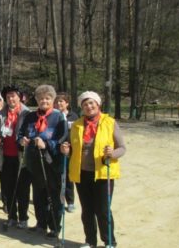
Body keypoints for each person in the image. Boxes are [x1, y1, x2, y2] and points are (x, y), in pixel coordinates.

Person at [60, 91, 126, 248]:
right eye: (85, 104)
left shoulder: (110, 122)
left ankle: (109, 241)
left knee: (103, 210)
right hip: (82, 173)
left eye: (91, 103)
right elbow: (72, 148)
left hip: (103, 173)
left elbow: (122, 148)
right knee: (87, 210)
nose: (88, 107)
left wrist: (112, 153)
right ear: (81, 108)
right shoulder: (76, 125)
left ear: (98, 105)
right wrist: (66, 150)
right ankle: (90, 241)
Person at [18, 84, 67, 238]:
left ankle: (54, 226)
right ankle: (41, 224)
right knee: (38, 195)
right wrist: (22, 140)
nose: (43, 101)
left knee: (53, 195)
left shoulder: (59, 116)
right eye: (40, 98)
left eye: (47, 98)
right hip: (34, 162)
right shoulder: (30, 116)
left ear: (52, 100)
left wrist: (47, 144)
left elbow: (63, 138)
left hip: (52, 162)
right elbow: (20, 133)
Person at [0, 85, 31, 229]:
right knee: (8, 189)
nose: (11, 99)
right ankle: (11, 216)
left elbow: (32, 133)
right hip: (5, 156)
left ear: (19, 97)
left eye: (13, 96)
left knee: (22, 189)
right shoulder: (0, 114)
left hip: (22, 158)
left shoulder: (27, 114)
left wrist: (26, 140)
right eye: (8, 97)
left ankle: (23, 218)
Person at [54, 92, 79, 213]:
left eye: (61, 101)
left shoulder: (73, 116)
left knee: (68, 177)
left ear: (67, 103)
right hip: (56, 149)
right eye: (57, 101)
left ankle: (70, 201)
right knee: (57, 177)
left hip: (70, 150)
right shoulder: (53, 115)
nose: (58, 104)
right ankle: (58, 200)